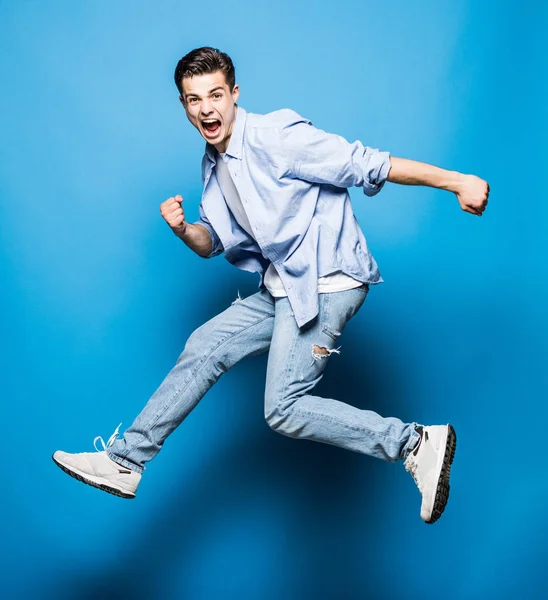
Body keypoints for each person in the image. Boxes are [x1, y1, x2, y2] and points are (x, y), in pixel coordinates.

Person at [53, 46, 489, 524]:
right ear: (184, 106)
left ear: (235, 94)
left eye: (215, 94)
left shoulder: (276, 136)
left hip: (328, 282)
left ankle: (414, 442)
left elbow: (368, 163)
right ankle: (125, 462)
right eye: (194, 99)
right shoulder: (214, 164)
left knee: (282, 408)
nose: (206, 108)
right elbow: (212, 241)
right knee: (206, 346)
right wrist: (183, 230)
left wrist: (457, 181)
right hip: (283, 285)